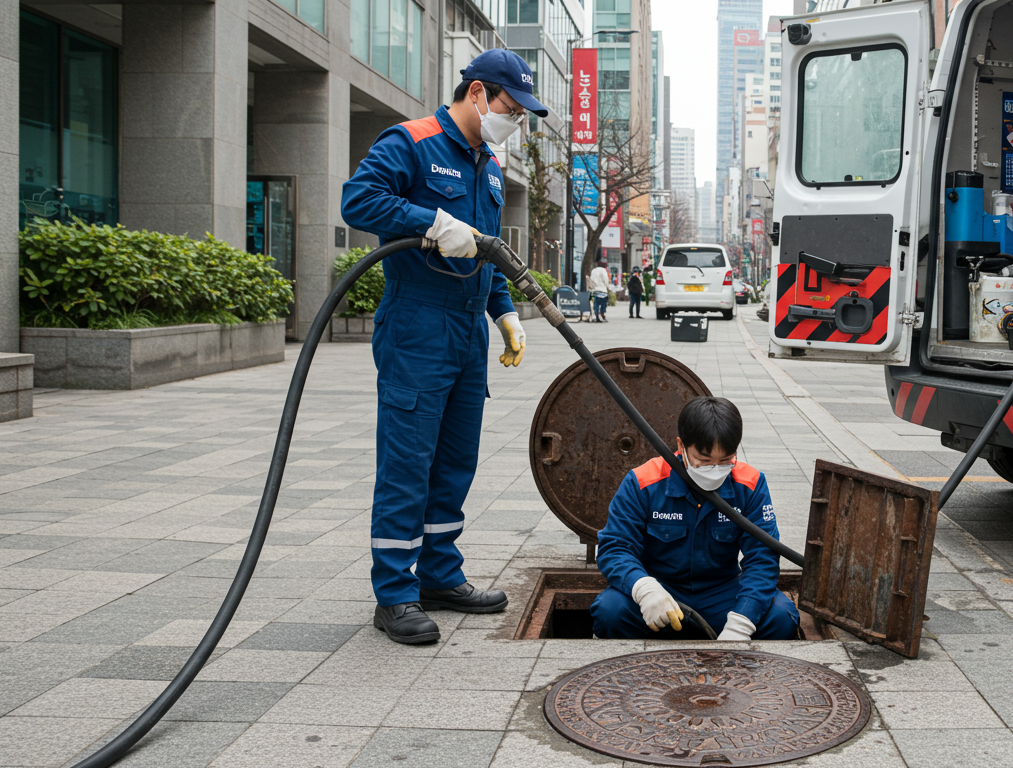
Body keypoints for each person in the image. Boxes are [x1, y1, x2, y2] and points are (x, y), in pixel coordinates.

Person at [340, 48, 549, 645]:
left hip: (467, 332)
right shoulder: (411, 141)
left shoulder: (488, 165)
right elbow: (358, 200)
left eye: (521, 113)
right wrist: (431, 222)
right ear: (477, 92)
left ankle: (438, 576)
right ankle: (394, 595)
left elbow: (487, 251)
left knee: (455, 462)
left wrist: (503, 312)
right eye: (510, 107)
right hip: (418, 326)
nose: (514, 120)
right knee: (408, 463)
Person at [590, 397, 800, 640]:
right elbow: (615, 547)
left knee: (782, 617)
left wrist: (743, 621)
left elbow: (762, 557)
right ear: (681, 445)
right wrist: (644, 589)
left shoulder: (750, 484)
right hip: (661, 590)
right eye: (704, 460)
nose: (715, 469)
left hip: (722, 593)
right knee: (610, 611)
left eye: (725, 460)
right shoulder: (642, 482)